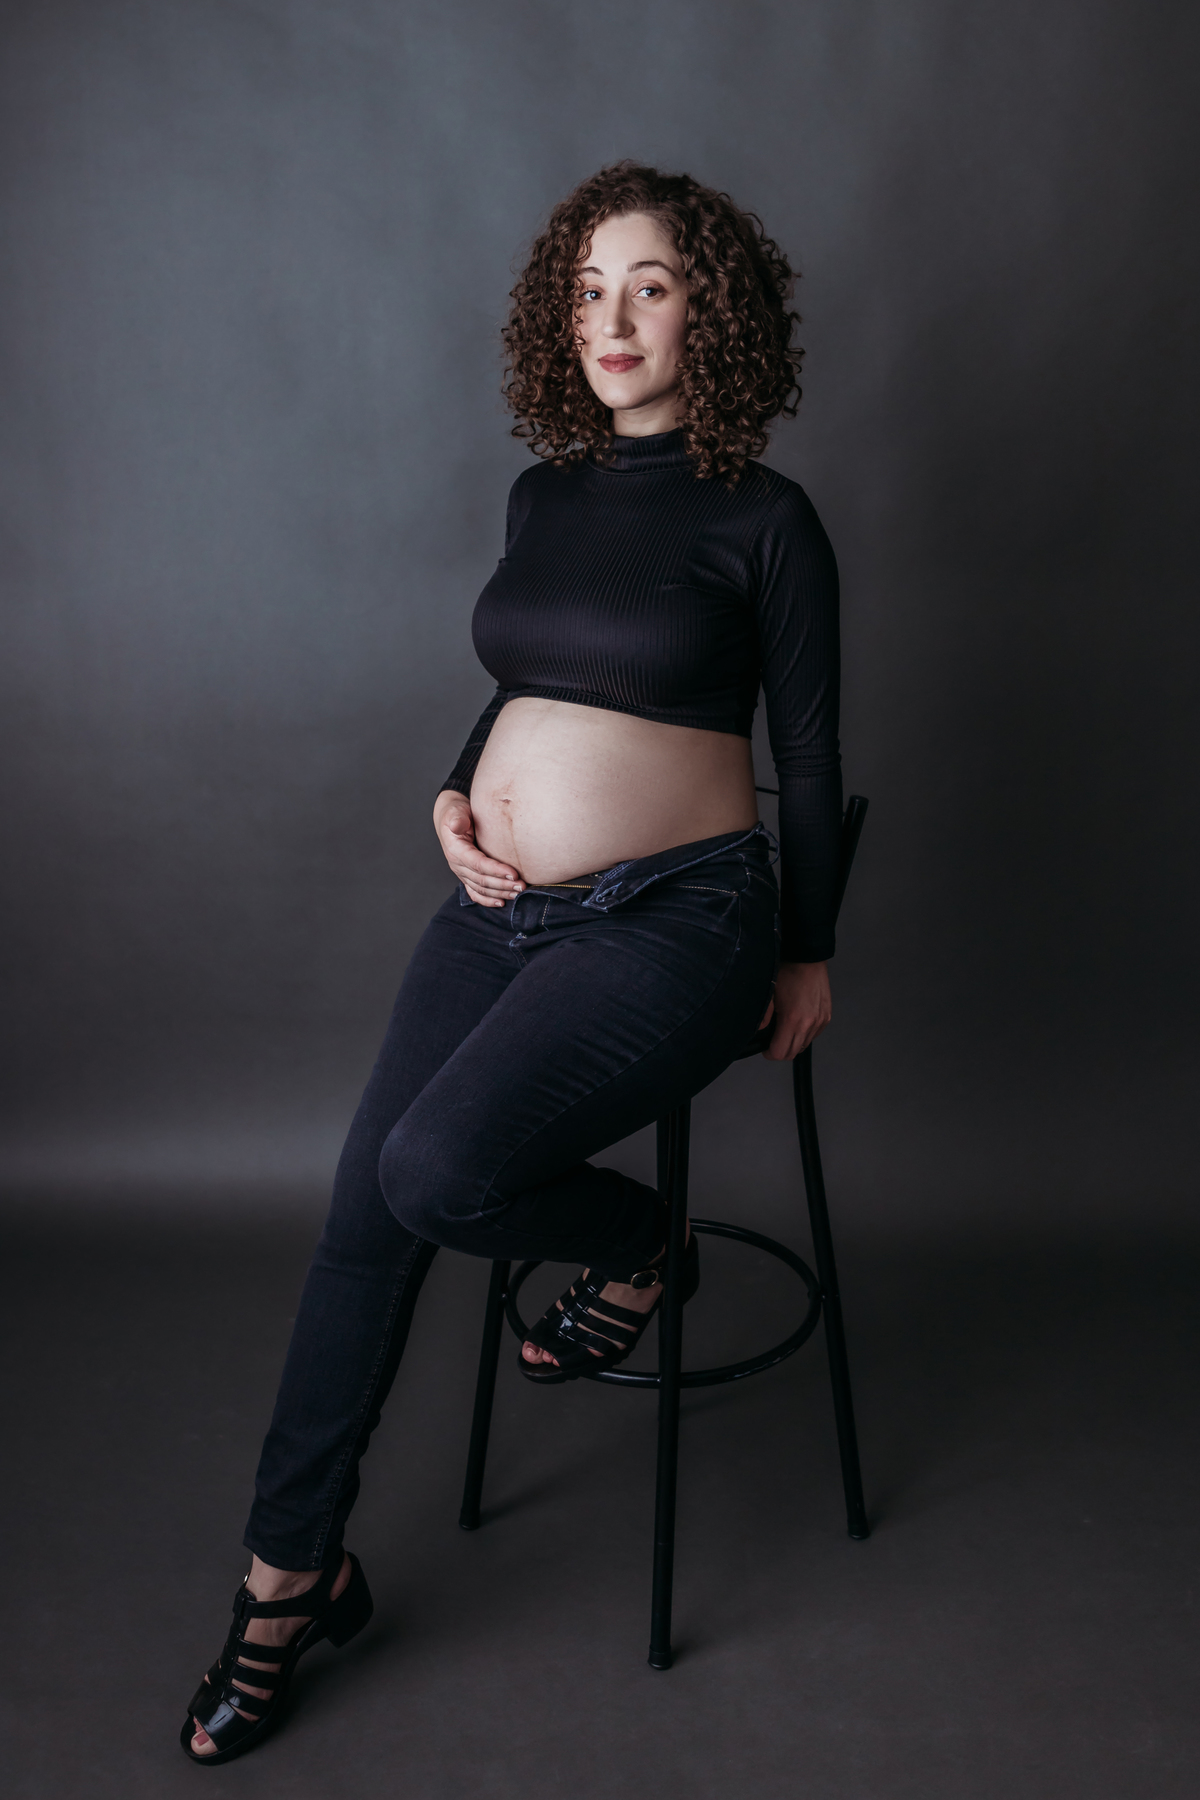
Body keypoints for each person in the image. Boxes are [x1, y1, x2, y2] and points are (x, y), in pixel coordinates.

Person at [181, 160, 841, 1765]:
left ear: (711, 314)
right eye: (590, 289)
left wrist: (810, 949)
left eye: (653, 287)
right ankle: (289, 1575)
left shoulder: (766, 517)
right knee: (363, 1217)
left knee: (437, 1169)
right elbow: (528, 681)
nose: (614, 318)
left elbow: (812, 759)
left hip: (682, 917)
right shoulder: (545, 496)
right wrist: (455, 792)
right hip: (499, 914)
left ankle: (643, 1244)